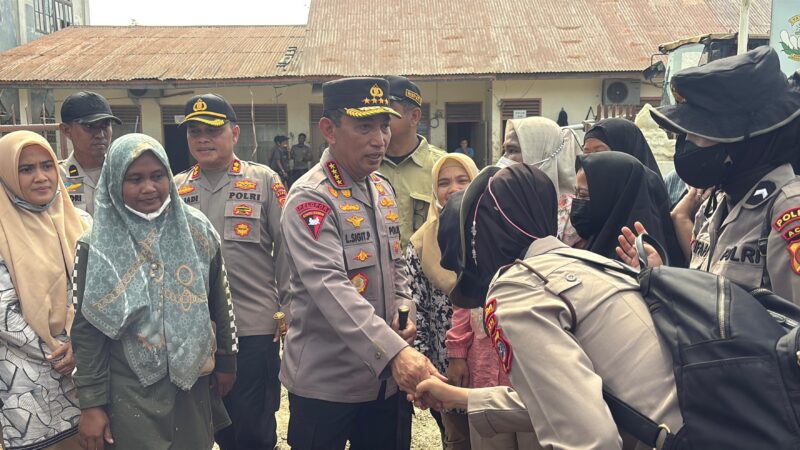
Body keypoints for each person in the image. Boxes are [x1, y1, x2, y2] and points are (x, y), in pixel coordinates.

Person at [412, 164, 683, 449]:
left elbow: (590, 440)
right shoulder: (589, 263)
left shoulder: (519, 288)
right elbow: (564, 401)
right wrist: (459, 397)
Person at [280, 77, 443, 450]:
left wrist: (405, 310)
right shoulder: (311, 198)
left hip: (383, 384)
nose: (379, 139)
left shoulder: (382, 188)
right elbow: (330, 287)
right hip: (327, 384)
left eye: (384, 126)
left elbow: (396, 265)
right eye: (365, 127)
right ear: (329, 130)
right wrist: (395, 352)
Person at [71, 134, 237, 450]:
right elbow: (86, 330)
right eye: (135, 179)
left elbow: (220, 299)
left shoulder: (197, 230)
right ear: (114, 182)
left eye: (157, 176)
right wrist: (92, 403)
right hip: (129, 390)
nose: (149, 188)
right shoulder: (96, 244)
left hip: (191, 384)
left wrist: (227, 360)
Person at [619, 46, 800, 302]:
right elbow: (707, 302)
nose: (685, 144)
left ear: (740, 144)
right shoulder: (715, 205)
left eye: (697, 135)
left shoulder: (788, 209)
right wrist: (661, 276)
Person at [173, 93, 289, 450]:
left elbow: (288, 251)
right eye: (195, 132)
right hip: (196, 330)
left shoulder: (264, 180)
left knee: (254, 429)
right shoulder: (175, 189)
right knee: (213, 427)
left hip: (253, 326)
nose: (203, 139)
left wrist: (287, 310)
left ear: (235, 133)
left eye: (213, 130)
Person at [0, 131, 89, 449]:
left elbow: (105, 293)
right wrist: (61, 352)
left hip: (89, 381)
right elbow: (3, 312)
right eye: (26, 169)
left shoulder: (82, 221)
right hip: (29, 391)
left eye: (47, 166)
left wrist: (83, 346)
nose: (40, 177)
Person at [405, 153, 478, 449]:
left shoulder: (493, 232)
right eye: (444, 183)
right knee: (457, 438)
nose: (453, 189)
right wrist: (425, 371)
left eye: (463, 180)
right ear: (434, 191)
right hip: (446, 367)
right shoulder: (421, 243)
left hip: (492, 363)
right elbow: (418, 313)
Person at [573, 152, 685, 266]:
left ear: (612, 196)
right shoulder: (599, 234)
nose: (576, 201)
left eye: (583, 195)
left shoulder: (639, 250)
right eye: (575, 193)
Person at [380, 75, 447, 250]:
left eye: (387, 111)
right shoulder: (363, 167)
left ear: (414, 116)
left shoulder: (442, 166)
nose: (379, 118)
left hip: (427, 266)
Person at [497, 116, 583, 246]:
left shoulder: (573, 218)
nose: (505, 159)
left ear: (542, 153)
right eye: (505, 151)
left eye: (513, 151)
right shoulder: (501, 198)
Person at [58, 91, 122, 215]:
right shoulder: (56, 177)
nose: (100, 135)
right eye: (89, 126)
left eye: (105, 125)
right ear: (66, 130)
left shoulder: (122, 172)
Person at [583, 117, 663, 178]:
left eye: (599, 153)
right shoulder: (584, 188)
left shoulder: (645, 193)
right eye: (586, 154)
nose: (590, 161)